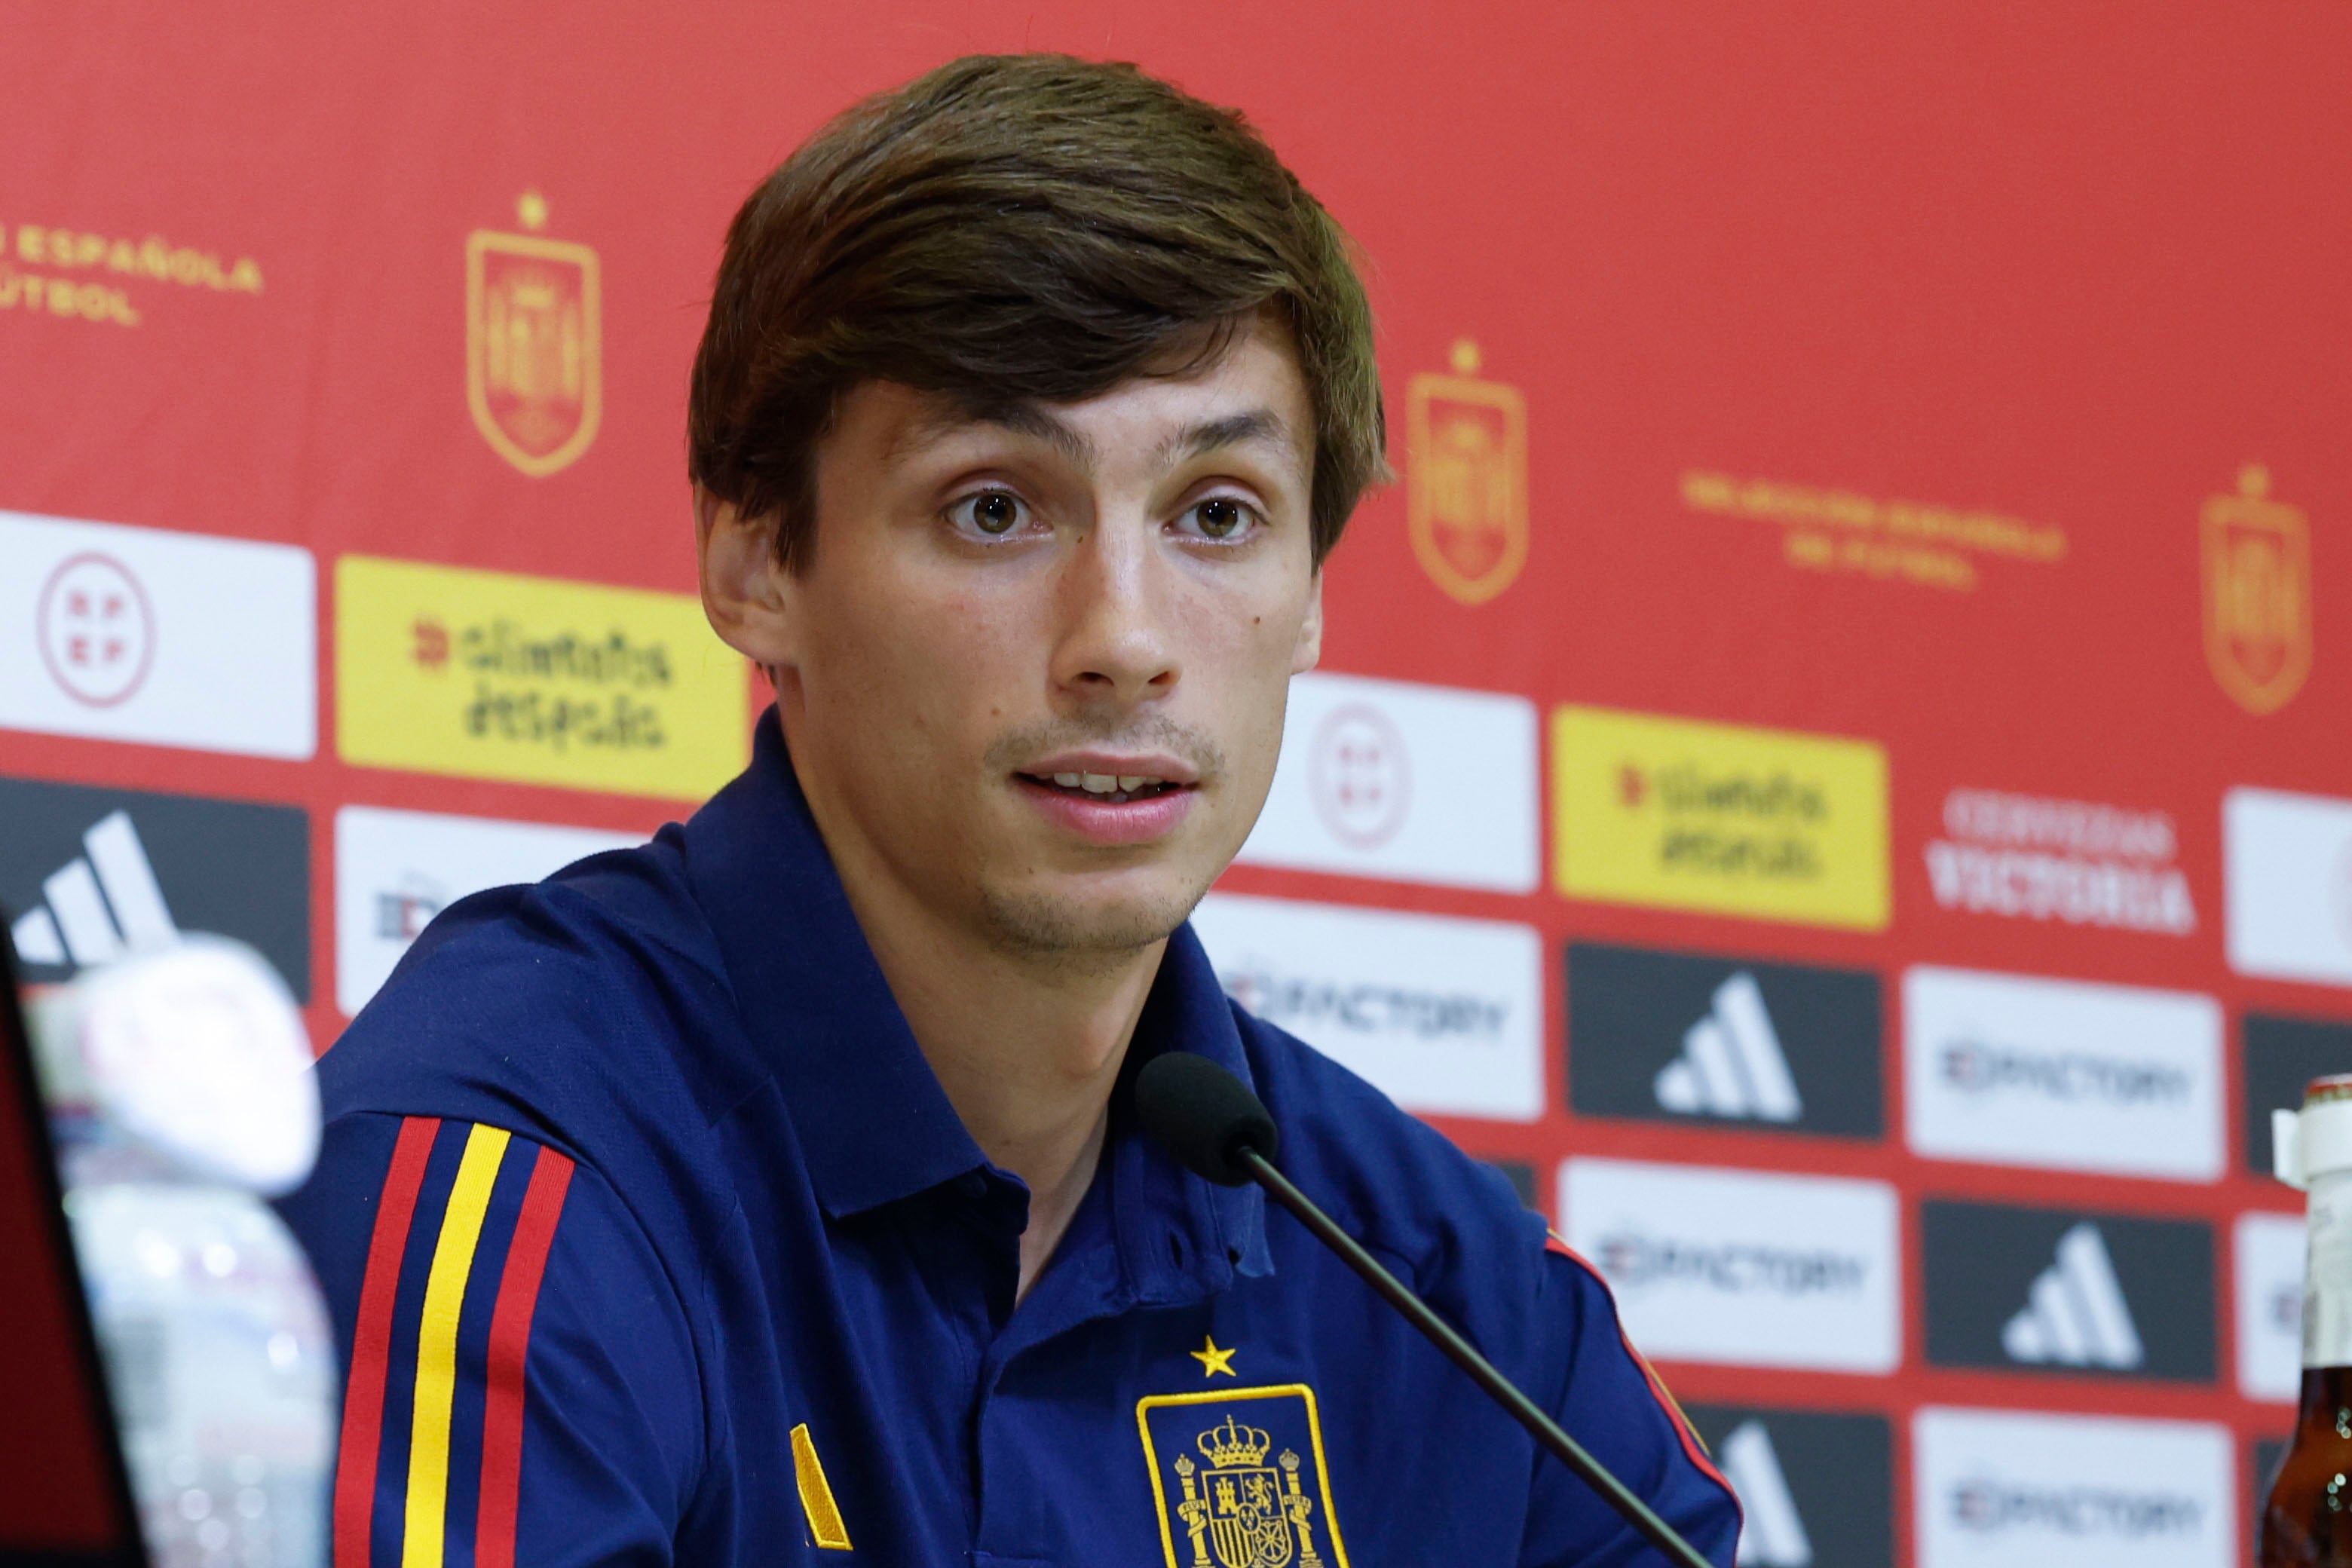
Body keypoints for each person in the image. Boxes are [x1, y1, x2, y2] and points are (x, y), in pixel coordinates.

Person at [279, 53, 1741, 1568]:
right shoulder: (505, 1177)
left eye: (1217, 516)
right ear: (755, 562)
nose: (1124, 631)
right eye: (995, 505)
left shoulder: (1445, 1289)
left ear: (1312, 595)